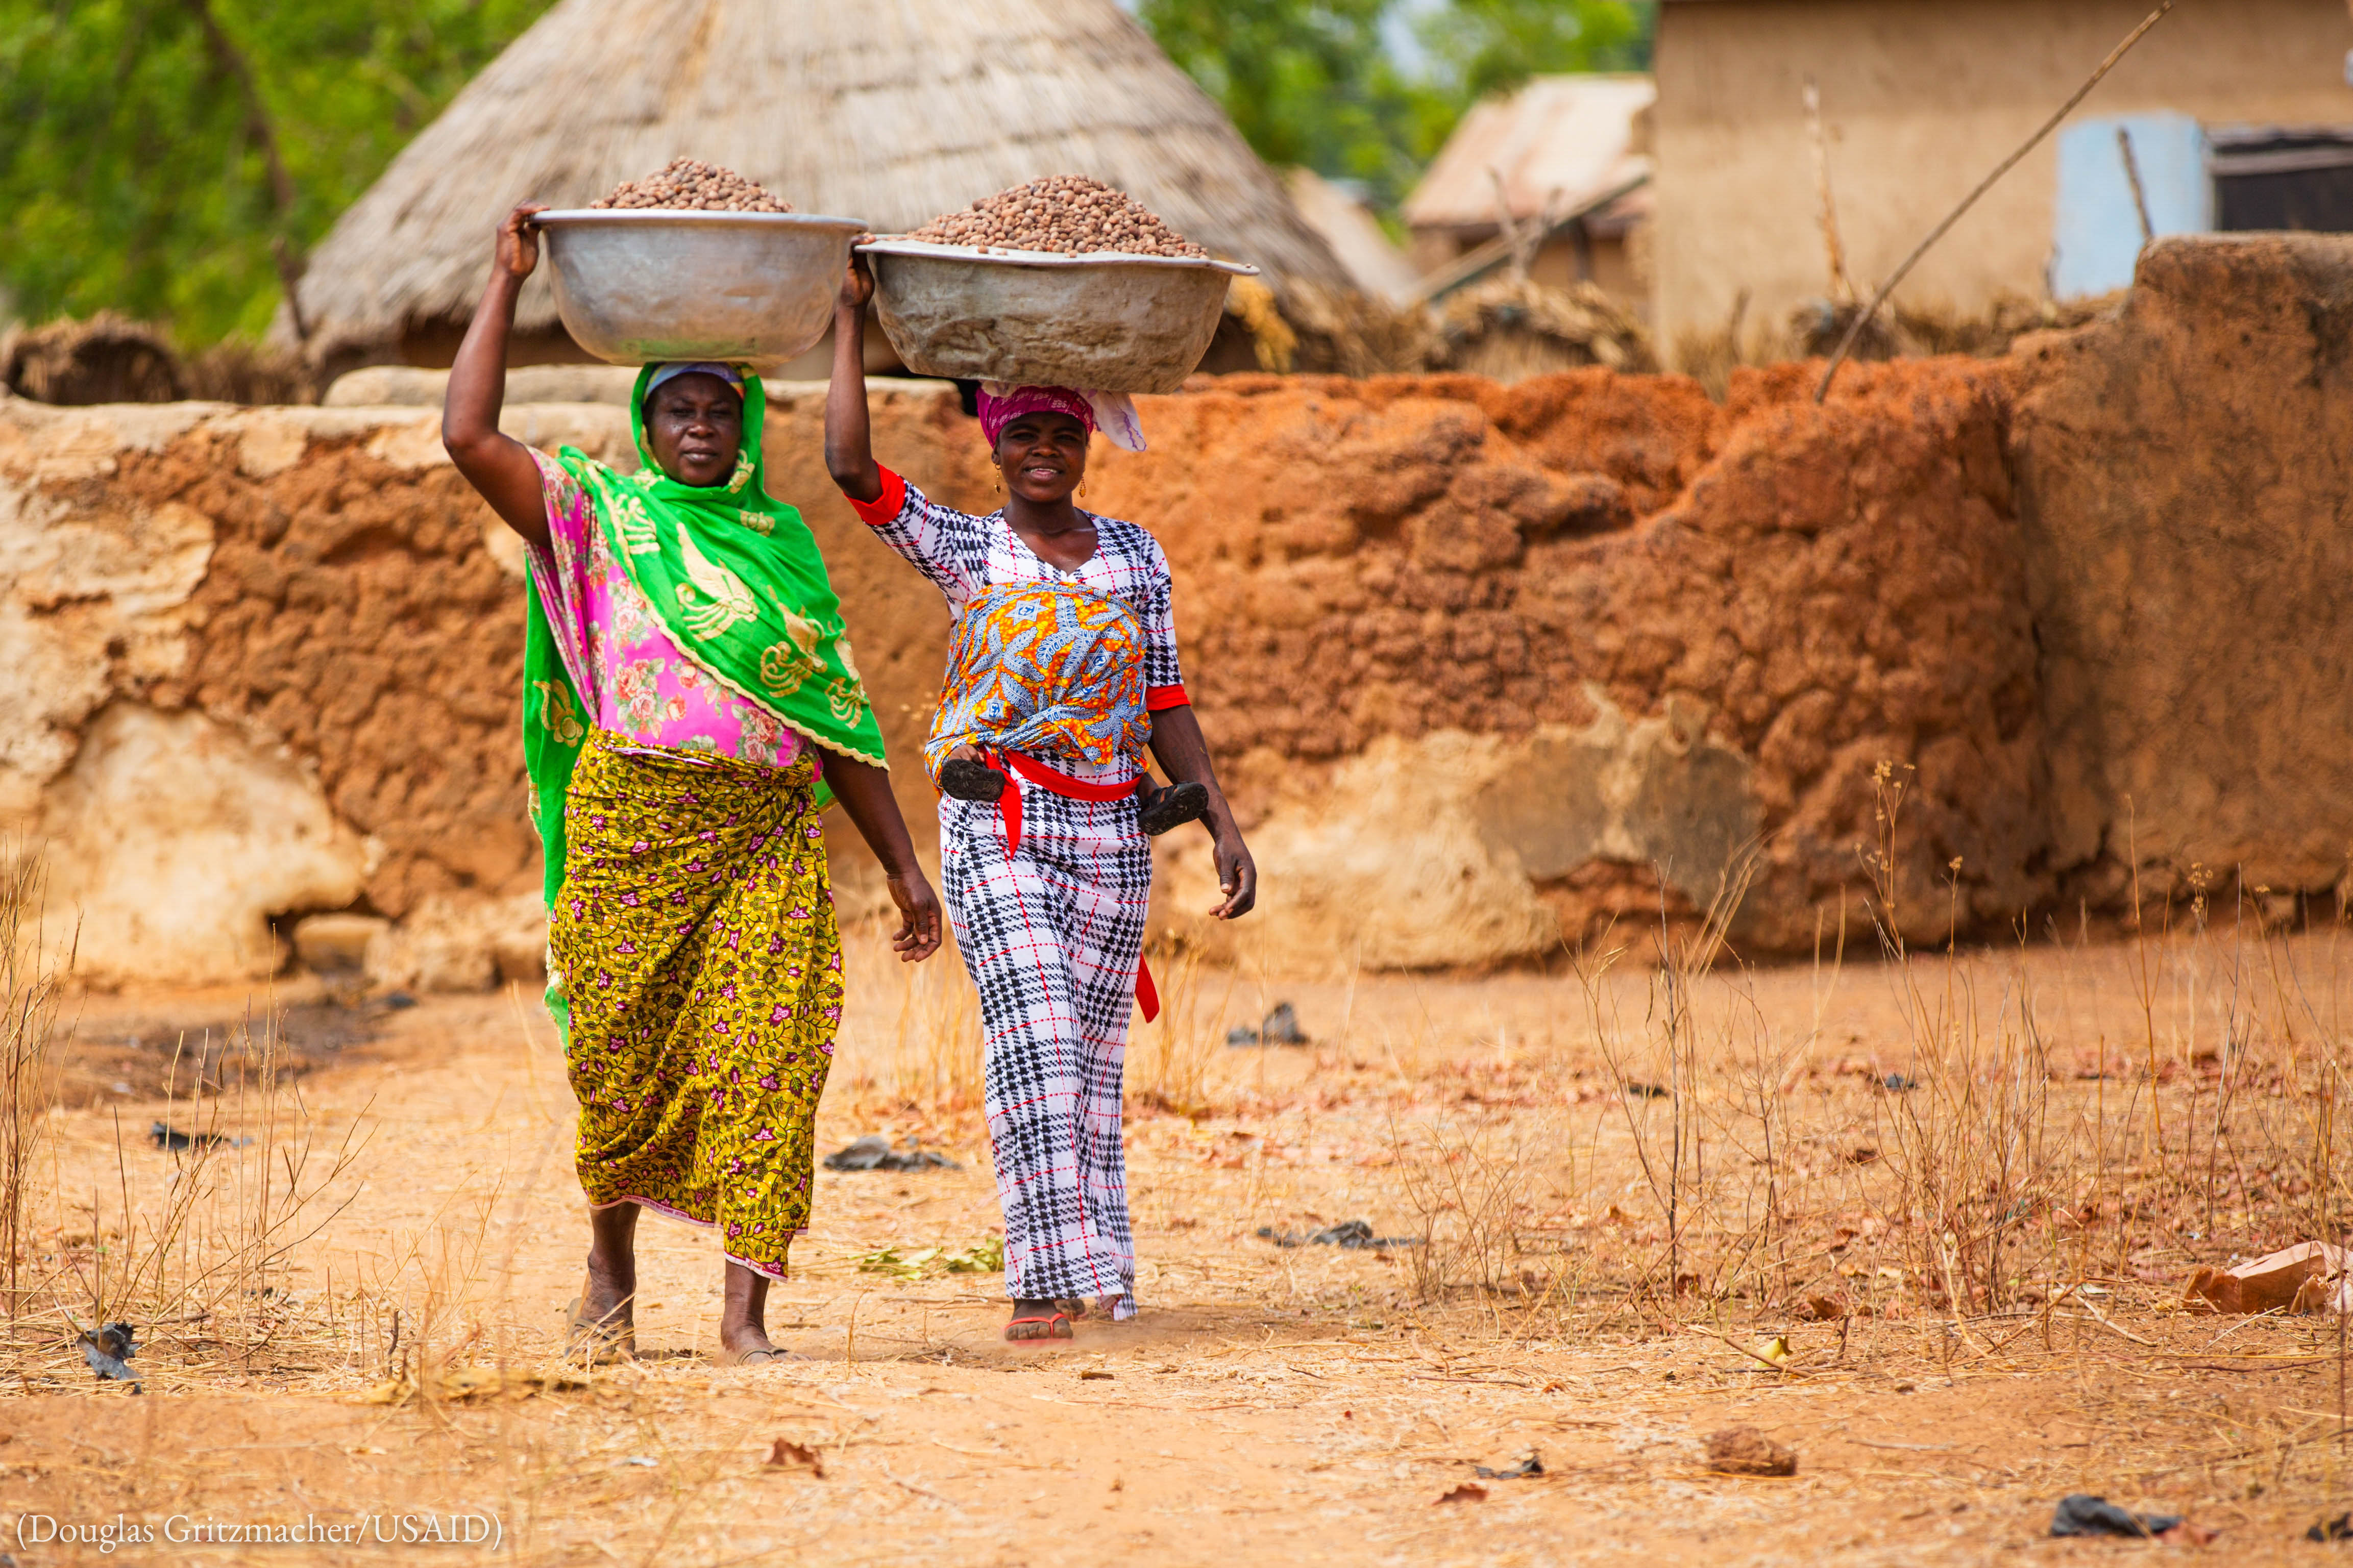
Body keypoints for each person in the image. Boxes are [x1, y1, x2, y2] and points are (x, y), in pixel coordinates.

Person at [442, 205, 944, 1366]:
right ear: (646, 419)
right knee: (617, 1060)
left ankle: (742, 1314)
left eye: (724, 408)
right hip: (632, 827)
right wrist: (503, 279)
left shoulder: (783, 545)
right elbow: (469, 438)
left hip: (763, 837)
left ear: (750, 423)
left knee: (772, 1054)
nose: (703, 427)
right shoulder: (599, 519)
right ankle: (611, 1267)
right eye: (680, 407)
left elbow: (834, 724)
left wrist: (903, 866)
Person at [823, 254, 1257, 1341]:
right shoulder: (969, 549)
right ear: (997, 446)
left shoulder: (1133, 558)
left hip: (1114, 830)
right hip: (999, 825)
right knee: (1040, 1039)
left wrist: (1218, 815)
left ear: (1086, 442)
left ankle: (1100, 1268)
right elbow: (846, 464)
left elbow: (1164, 698)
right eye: (1025, 435)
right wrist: (846, 320)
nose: (1045, 452)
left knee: (1097, 1057)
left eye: (1063, 433)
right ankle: (1037, 1279)